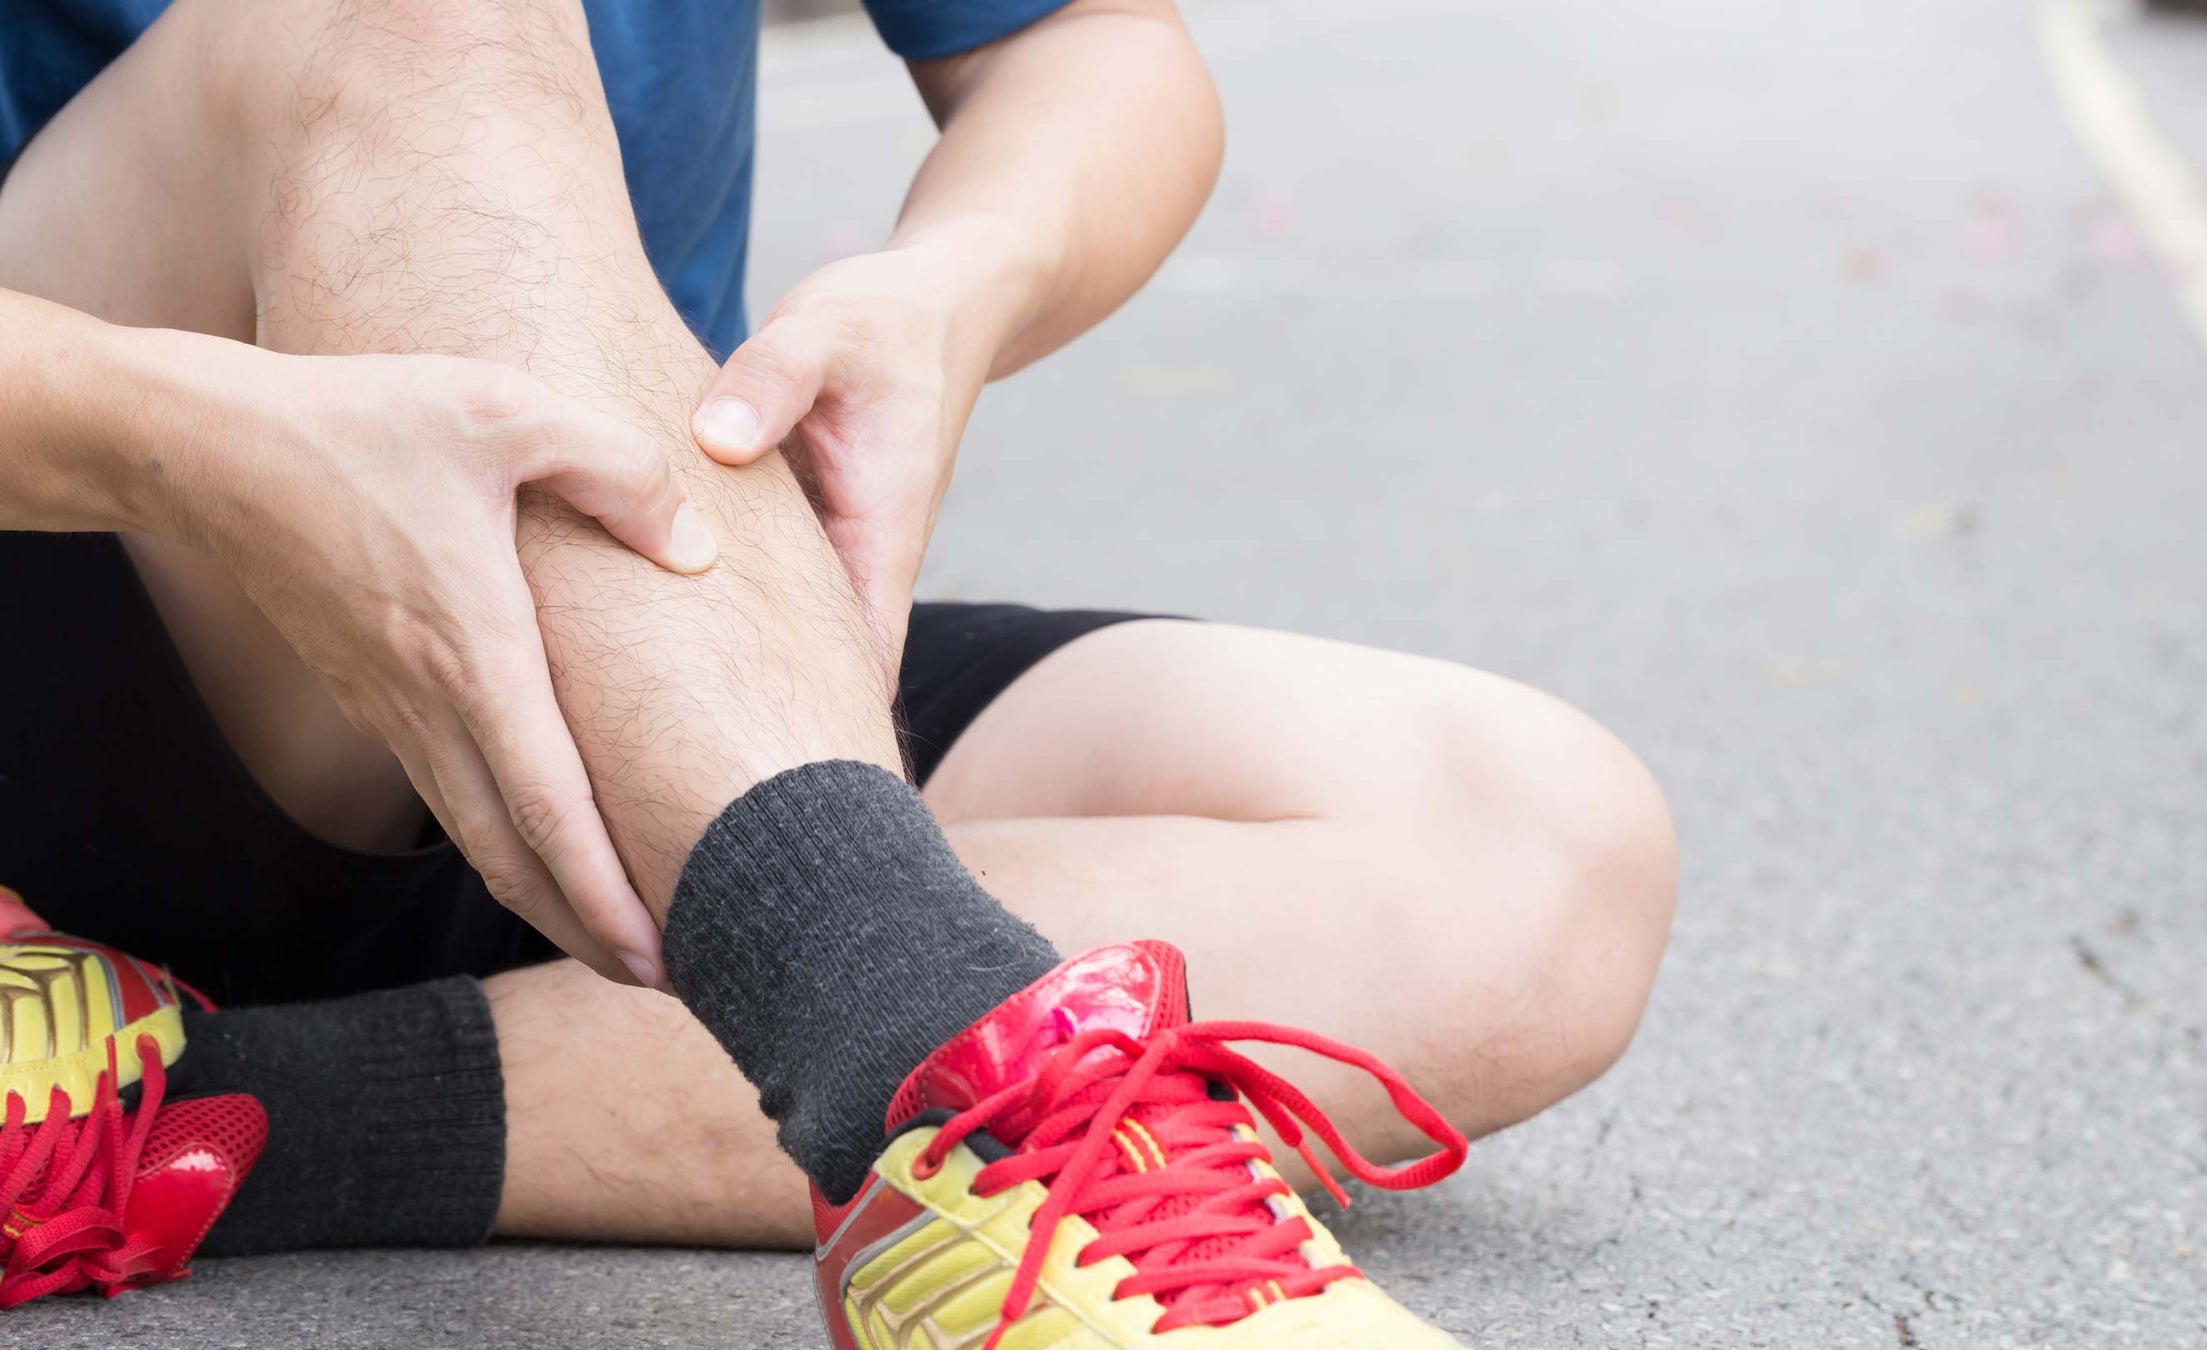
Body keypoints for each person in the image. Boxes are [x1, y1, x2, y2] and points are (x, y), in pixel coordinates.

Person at [0, 0, 1677, 1341]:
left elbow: (1084, 43)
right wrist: (187, 441)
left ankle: (176, 1114)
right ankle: (948, 1091)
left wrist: (951, 287)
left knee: (1536, 852)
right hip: (95, 597)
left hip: (603, 650)